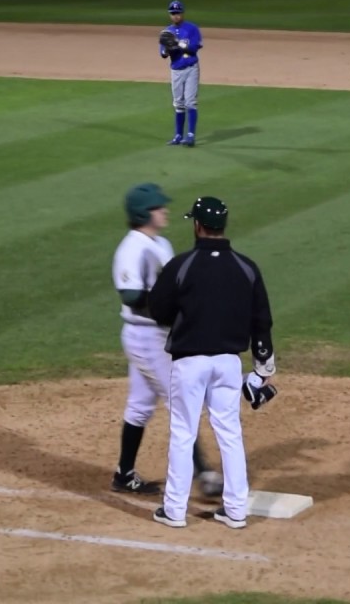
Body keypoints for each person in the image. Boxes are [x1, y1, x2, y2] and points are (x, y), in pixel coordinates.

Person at [147, 196, 278, 529]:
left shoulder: (182, 265)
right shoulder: (246, 267)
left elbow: (157, 311)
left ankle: (174, 511)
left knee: (183, 433)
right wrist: (263, 369)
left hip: (190, 363)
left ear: (197, 225)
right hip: (228, 364)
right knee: (230, 433)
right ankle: (235, 511)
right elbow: (261, 322)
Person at [110, 183, 223, 497]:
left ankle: (124, 475)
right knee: (182, 402)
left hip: (159, 335)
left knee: (140, 407)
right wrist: (171, 309)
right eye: (159, 207)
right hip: (145, 337)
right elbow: (131, 296)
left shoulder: (160, 243)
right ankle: (205, 474)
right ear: (143, 213)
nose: (165, 211)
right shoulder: (132, 248)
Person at [159, 0, 203, 147]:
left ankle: (190, 135)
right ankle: (178, 135)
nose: (175, 16)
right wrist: (167, 49)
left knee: (190, 102)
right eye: (173, 13)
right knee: (178, 103)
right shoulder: (167, 32)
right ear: (170, 15)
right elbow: (163, 54)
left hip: (191, 68)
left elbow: (194, 48)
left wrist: (179, 44)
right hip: (176, 70)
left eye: (177, 13)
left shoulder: (192, 29)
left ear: (182, 13)